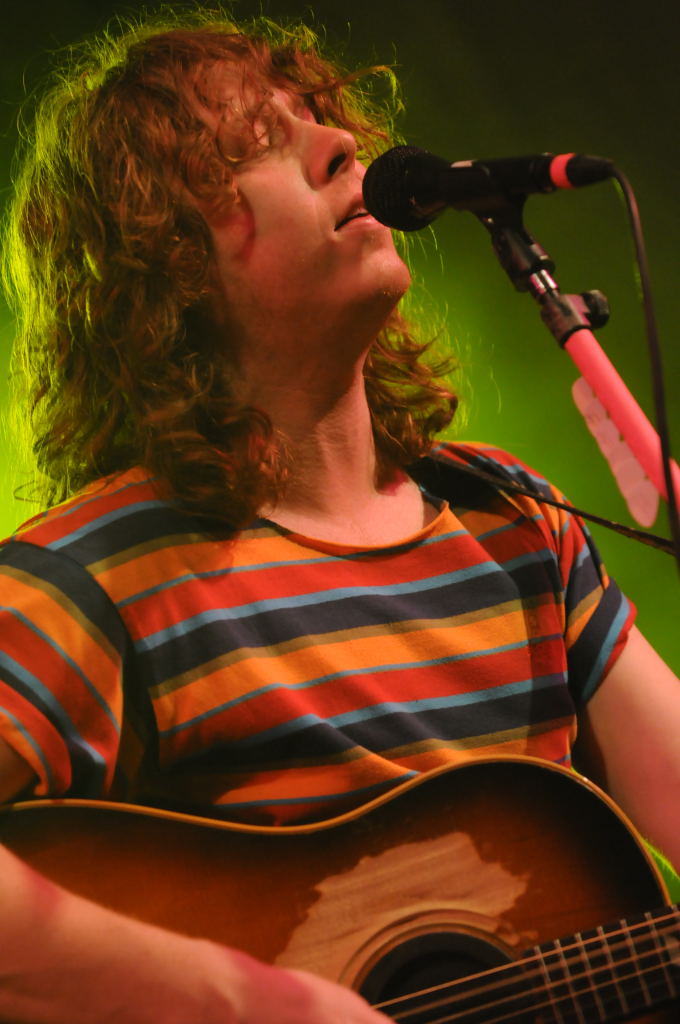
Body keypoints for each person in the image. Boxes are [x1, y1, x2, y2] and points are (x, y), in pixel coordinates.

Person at [0, 7, 678, 1021]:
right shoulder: (94, 578)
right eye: (257, 144)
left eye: (323, 118)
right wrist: (251, 1001)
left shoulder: (512, 523)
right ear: (163, 256)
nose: (340, 145)